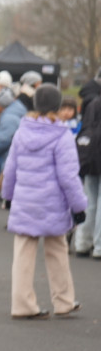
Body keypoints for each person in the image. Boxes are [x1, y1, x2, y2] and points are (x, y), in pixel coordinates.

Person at [1, 83, 85, 319]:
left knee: (23, 254)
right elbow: (68, 177)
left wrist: (8, 196)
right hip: (52, 204)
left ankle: (22, 305)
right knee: (57, 250)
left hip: (25, 201)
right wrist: (79, 207)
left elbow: (11, 168)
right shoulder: (62, 135)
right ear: (57, 106)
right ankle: (64, 301)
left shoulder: (21, 131)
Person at [73, 88, 101, 258]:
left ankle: (82, 243)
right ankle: (99, 246)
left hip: (91, 155)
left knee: (89, 200)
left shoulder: (93, 102)